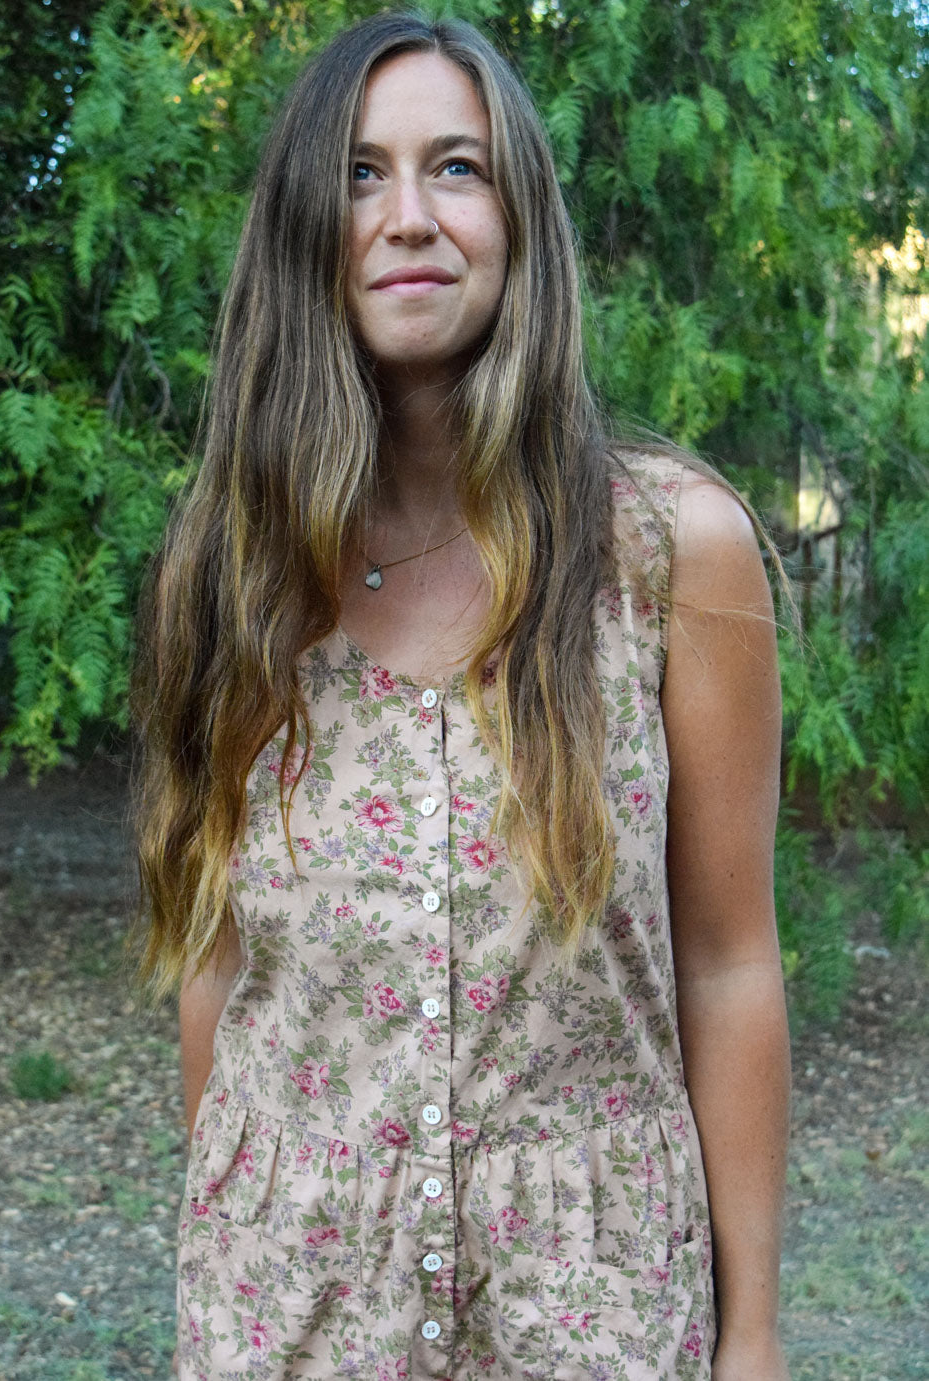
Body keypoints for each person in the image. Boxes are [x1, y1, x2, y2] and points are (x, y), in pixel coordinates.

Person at [132, 12, 791, 1380]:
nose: (410, 216)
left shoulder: (675, 555)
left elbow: (729, 961)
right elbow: (215, 956)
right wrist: (232, 1259)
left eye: (458, 167)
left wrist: (752, 1339)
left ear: (520, 216)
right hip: (294, 1314)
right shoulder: (233, 571)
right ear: (305, 225)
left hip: (595, 1312)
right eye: (361, 174)